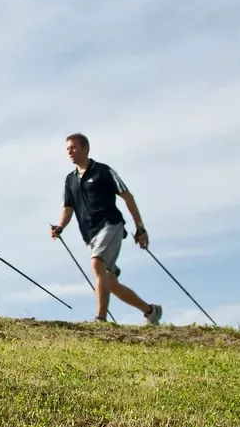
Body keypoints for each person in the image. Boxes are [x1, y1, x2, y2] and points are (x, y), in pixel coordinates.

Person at [50, 132, 162, 325]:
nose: (70, 152)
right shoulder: (70, 180)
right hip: (90, 234)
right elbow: (68, 208)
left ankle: (100, 320)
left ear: (85, 148)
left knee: (97, 265)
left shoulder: (103, 171)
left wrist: (140, 228)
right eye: (67, 149)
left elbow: (127, 197)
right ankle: (151, 311)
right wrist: (60, 227)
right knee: (110, 283)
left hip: (111, 225)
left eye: (73, 147)